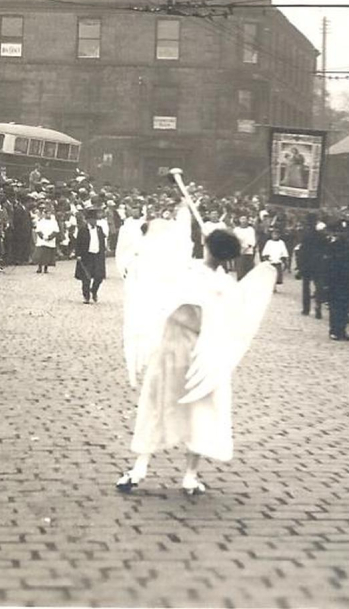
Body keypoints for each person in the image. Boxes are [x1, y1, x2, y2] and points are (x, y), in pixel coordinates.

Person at [118, 211, 277, 496]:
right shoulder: (227, 287)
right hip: (206, 352)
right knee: (201, 409)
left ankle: (140, 468)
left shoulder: (186, 272)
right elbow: (230, 322)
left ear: (205, 246)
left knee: (156, 403)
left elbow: (157, 277)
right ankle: (190, 475)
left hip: (172, 345)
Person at [74, 204, 108, 304]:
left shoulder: (99, 229)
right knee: (86, 277)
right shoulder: (83, 230)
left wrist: (103, 253)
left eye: (95, 219)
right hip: (86, 256)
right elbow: (78, 243)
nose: (94, 221)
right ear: (88, 220)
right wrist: (78, 255)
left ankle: (94, 290)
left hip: (97, 255)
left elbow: (102, 241)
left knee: (99, 276)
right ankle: (86, 296)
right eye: (92, 219)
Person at [33, 204, 60, 274]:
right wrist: (43, 236)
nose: (48, 215)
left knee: (48, 255)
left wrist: (50, 237)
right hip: (42, 241)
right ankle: (39, 267)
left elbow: (56, 230)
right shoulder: (41, 221)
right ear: (44, 214)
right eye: (47, 213)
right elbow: (38, 230)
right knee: (41, 255)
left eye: (49, 213)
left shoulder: (54, 222)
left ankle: (46, 268)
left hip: (50, 240)